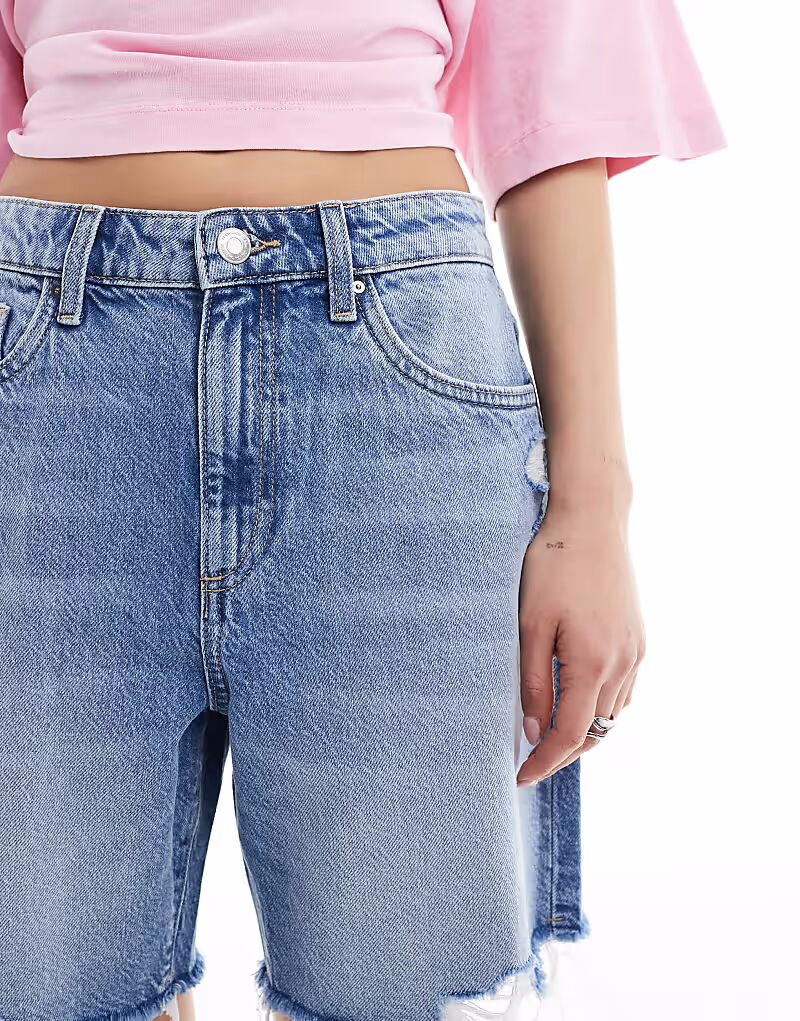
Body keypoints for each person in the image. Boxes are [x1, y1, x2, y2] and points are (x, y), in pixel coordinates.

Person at [0, 3, 725, 1021]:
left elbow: (552, 115)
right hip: (50, 374)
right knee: (33, 980)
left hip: (395, 377)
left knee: (406, 984)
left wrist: (594, 507)